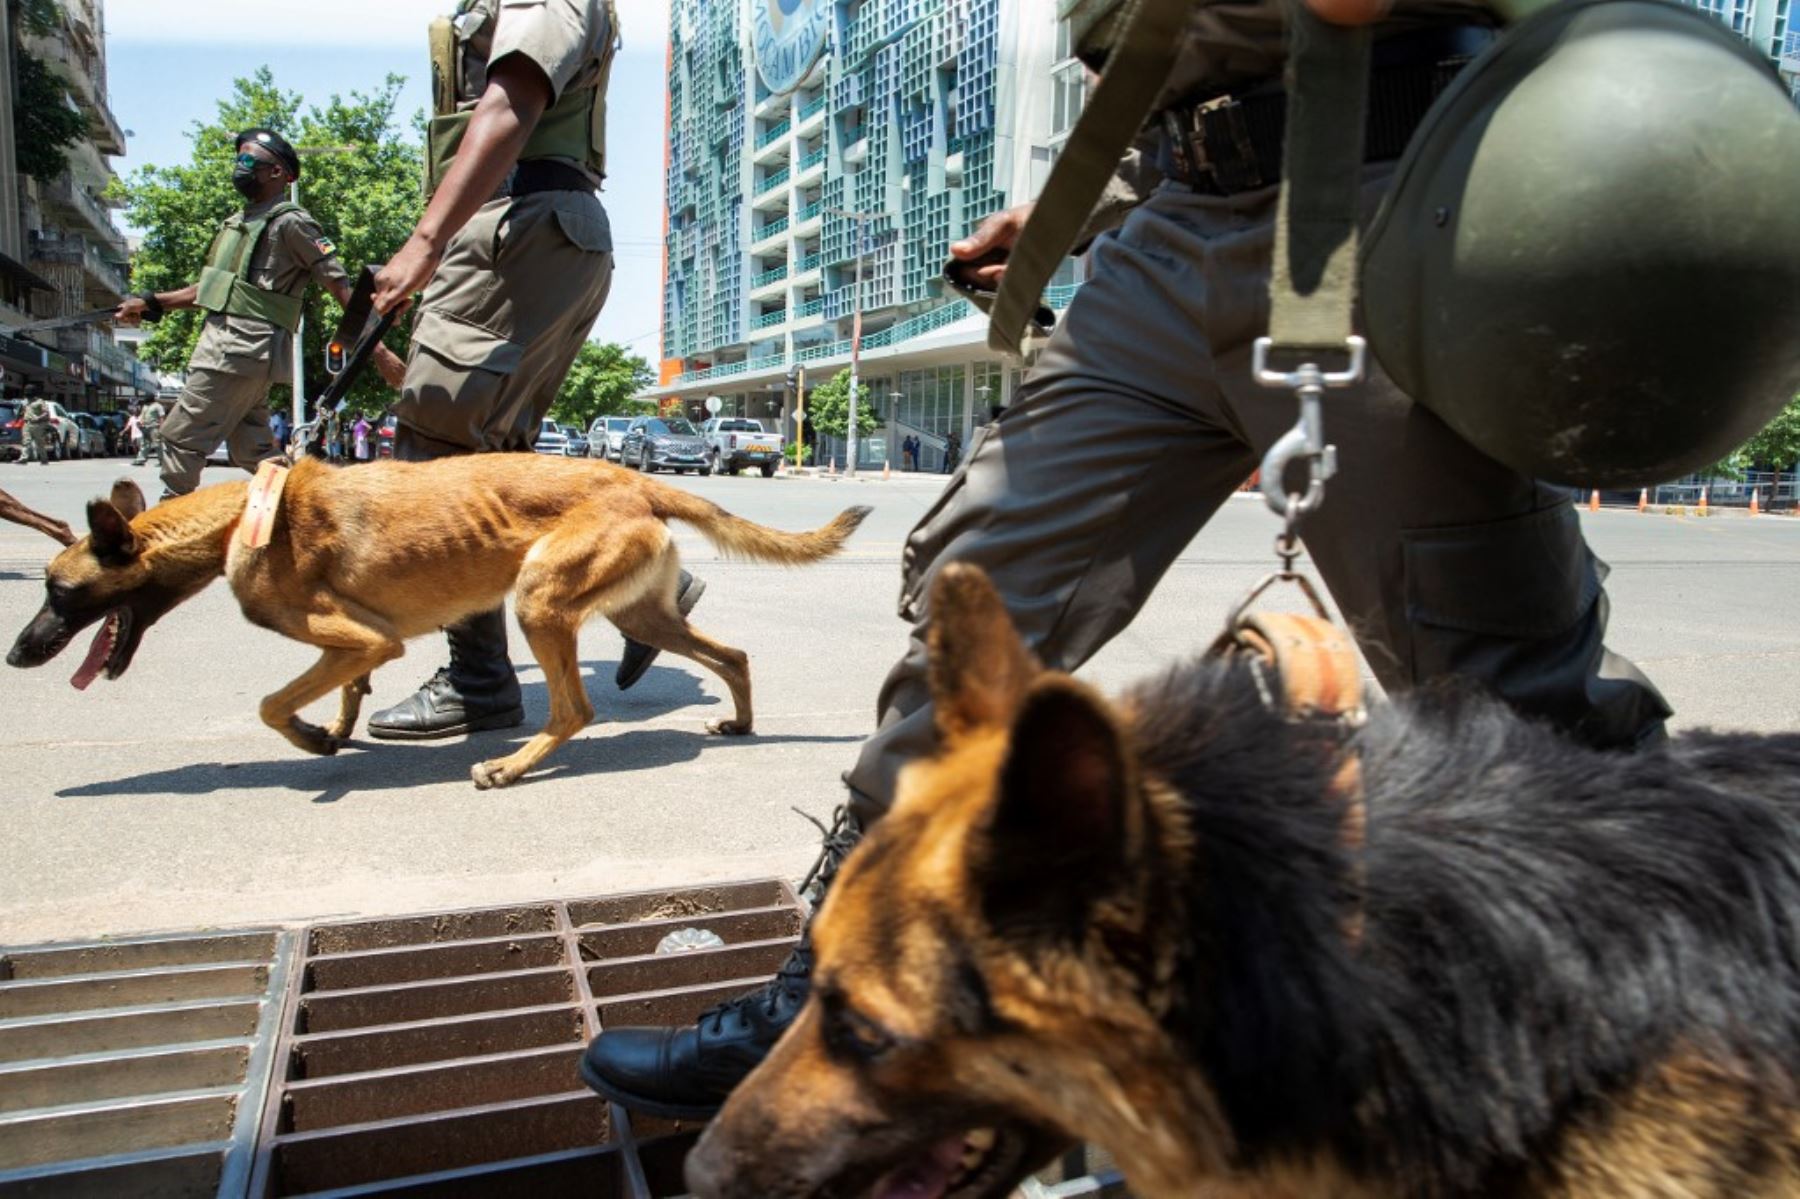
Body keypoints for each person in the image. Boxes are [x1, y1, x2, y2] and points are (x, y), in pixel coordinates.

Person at [579, 0, 1674, 1120]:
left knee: (1500, 675)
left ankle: (1644, 1006)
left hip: (1396, 188)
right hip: (1172, 220)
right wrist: (1089, 201)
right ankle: (841, 993)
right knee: (977, 603)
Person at [361, 0, 706, 740]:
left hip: (520, 225)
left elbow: (513, 99)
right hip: (534, 226)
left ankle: (480, 681)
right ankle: (652, 586)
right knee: (497, 466)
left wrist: (426, 241)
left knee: (434, 457)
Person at [114, 128, 400, 499]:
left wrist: (379, 353)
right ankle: (313, 511)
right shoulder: (238, 223)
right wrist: (150, 302)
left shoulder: (292, 223)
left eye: (250, 160)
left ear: (278, 173)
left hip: (236, 352)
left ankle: (172, 529)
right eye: (238, 159)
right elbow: (212, 290)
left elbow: (342, 289)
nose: (240, 166)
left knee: (180, 437)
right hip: (235, 349)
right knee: (255, 451)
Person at [131, 395, 166, 467]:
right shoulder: (145, 406)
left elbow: (162, 416)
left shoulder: (158, 406)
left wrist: (162, 427)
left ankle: (162, 461)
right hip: (145, 427)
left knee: (157, 445)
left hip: (154, 427)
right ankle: (140, 460)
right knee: (144, 444)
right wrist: (139, 422)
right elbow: (142, 415)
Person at [20, 391, 51, 465]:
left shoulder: (40, 402)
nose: (28, 397)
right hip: (27, 423)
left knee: (40, 443)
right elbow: (23, 411)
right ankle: (24, 458)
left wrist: (39, 418)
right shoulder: (25, 402)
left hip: (37, 424)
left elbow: (46, 412)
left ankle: (44, 459)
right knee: (25, 441)